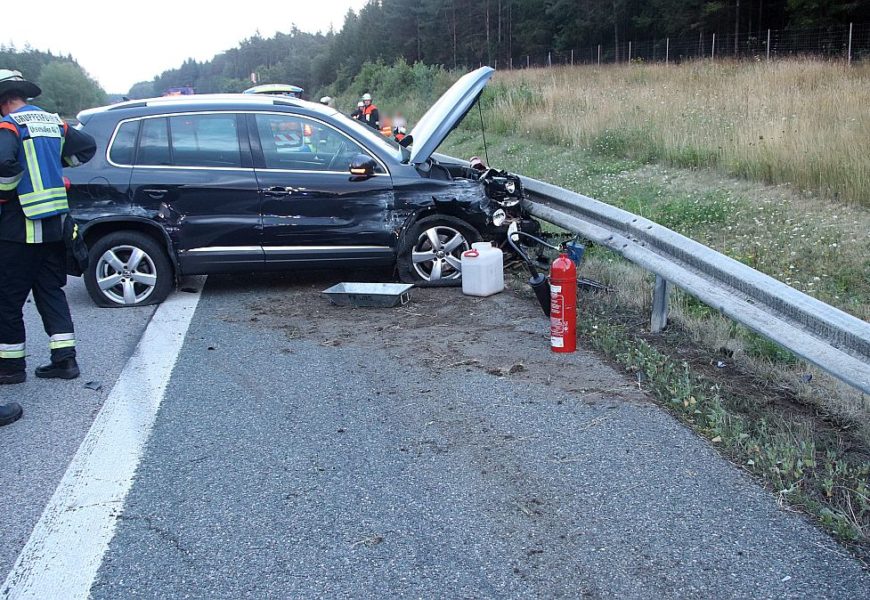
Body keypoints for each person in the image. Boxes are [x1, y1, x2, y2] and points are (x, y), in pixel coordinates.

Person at [0, 69, 96, 406]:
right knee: (50, 292)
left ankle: (11, 368)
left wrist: (3, 194)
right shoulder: (52, 122)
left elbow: (3, 166)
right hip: (55, 226)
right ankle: (65, 360)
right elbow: (87, 148)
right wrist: (56, 160)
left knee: (8, 299)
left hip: (18, 227)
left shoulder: (9, 125)